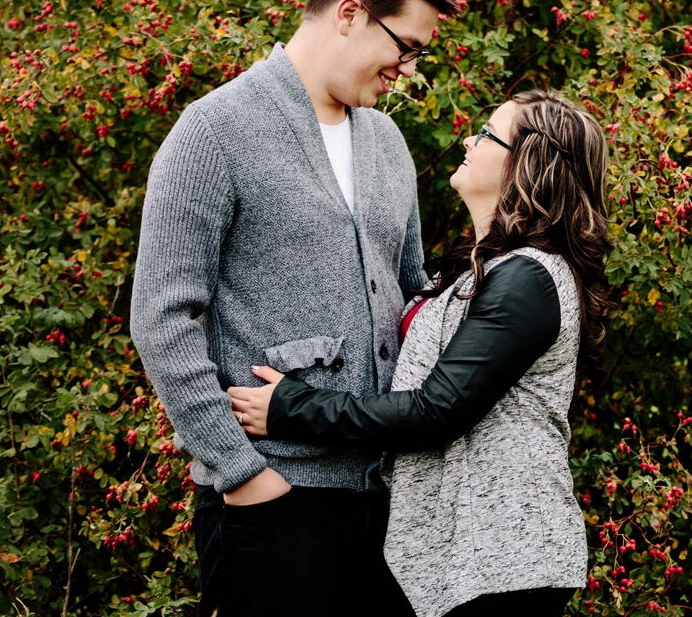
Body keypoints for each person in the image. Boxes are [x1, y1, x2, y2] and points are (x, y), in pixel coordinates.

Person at [130, 0, 460, 617]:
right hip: (273, 501)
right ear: (349, 14)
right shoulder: (213, 131)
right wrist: (242, 473)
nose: (408, 69)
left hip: (384, 503)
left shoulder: (390, 146)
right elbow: (161, 320)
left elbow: (409, 298)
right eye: (405, 48)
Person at [227, 89, 613, 617]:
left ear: (526, 165)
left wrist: (290, 408)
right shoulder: (478, 268)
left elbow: (436, 411)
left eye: (485, 134)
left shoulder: (531, 278)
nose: (468, 140)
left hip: (504, 557)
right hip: (460, 554)